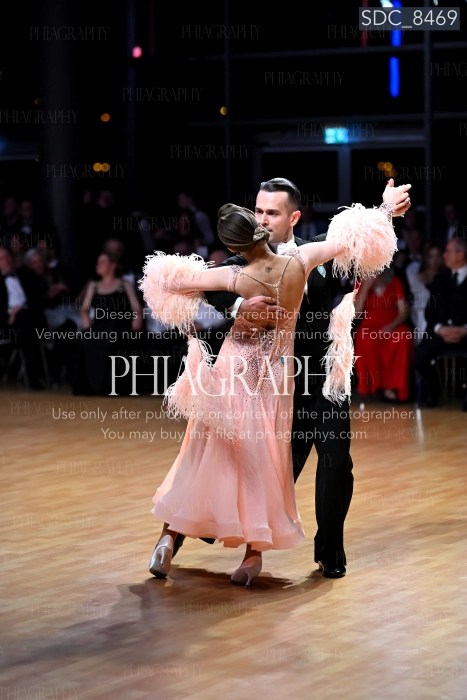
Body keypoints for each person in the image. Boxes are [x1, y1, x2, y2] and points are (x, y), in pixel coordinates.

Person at [140, 187, 408, 587]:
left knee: (322, 461)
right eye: (258, 212)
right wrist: (237, 306)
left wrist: (386, 209)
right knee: (258, 464)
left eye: (272, 212)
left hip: (313, 375)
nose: (263, 219)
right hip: (270, 381)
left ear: (293, 218)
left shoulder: (283, 256)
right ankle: (216, 544)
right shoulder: (273, 261)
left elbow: (353, 238)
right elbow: (210, 289)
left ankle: (324, 550)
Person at [72, 251, 143, 396]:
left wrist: (137, 319)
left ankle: (112, 386)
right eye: (98, 262)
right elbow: (84, 308)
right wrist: (85, 318)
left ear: (113, 265)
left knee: (111, 338)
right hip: (100, 324)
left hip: (119, 324)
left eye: (103, 262)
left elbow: (136, 307)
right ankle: (92, 386)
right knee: (86, 339)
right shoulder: (94, 285)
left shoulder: (124, 284)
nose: (98, 265)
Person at [414, 237, 467, 409]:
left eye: (448, 252)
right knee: (419, 356)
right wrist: (440, 328)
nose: (444, 256)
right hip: (440, 333)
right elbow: (430, 312)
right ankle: (434, 391)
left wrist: (464, 329)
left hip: (465, 334)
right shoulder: (440, 279)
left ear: (460, 254)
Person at [353, 265, 414, 403]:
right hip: (369, 326)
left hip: (392, 324)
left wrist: (392, 326)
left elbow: (403, 311)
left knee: (404, 336)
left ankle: (393, 387)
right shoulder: (360, 283)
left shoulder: (395, 282)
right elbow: (356, 313)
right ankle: (374, 386)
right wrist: (366, 287)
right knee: (365, 338)